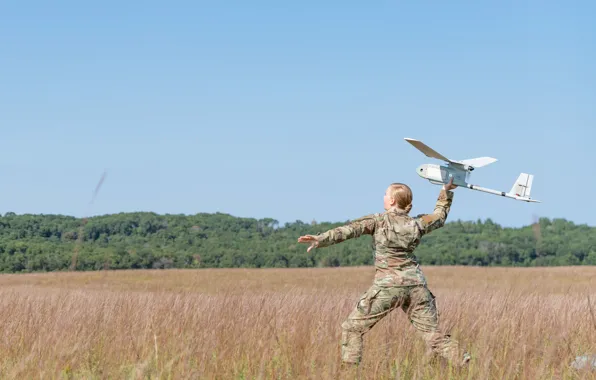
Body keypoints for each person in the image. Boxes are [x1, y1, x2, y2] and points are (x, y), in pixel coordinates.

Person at [297, 177, 470, 367]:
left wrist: (321, 239)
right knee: (432, 335)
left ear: (393, 201)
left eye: (386, 194)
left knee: (352, 328)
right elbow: (439, 216)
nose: (384, 197)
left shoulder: (378, 221)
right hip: (417, 286)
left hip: (389, 286)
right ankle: (462, 359)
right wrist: (446, 191)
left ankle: (349, 371)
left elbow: (348, 230)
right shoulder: (418, 224)